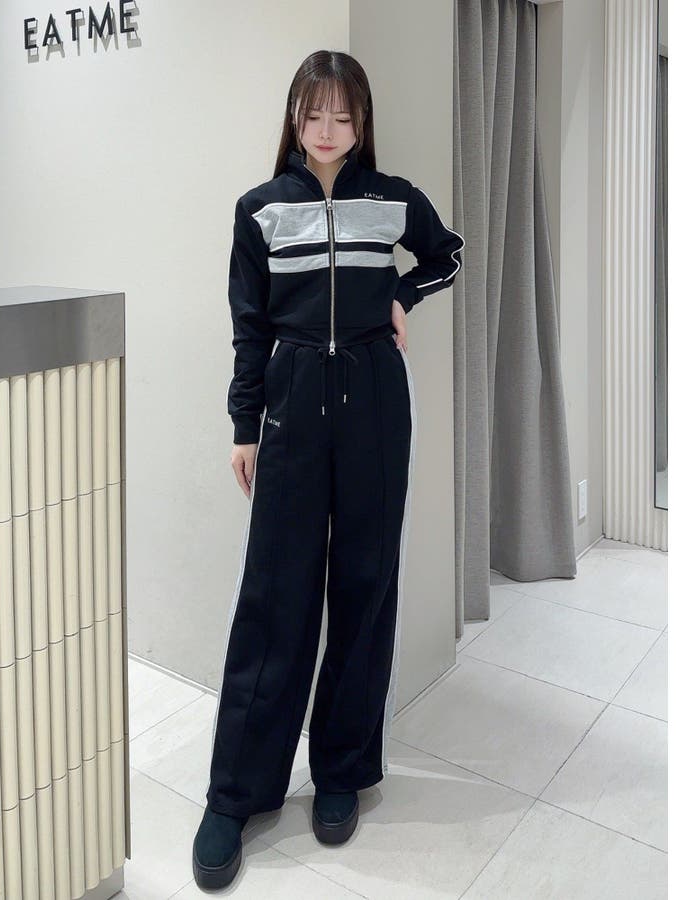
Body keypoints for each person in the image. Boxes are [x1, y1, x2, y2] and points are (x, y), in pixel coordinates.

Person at [192, 49, 465, 890]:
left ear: (362, 121)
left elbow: (448, 254)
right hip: (293, 396)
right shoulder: (261, 209)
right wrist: (245, 425)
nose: (327, 130)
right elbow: (248, 326)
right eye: (314, 114)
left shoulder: (393, 199)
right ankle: (237, 793)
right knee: (275, 593)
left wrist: (402, 296)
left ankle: (341, 768)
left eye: (343, 116)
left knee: (364, 581)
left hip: (376, 398)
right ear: (294, 116)